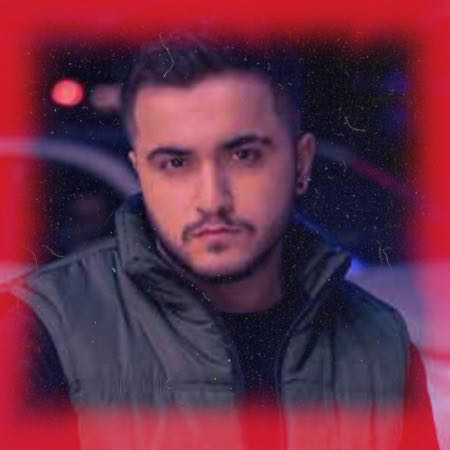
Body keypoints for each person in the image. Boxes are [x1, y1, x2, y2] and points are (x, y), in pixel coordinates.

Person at [1, 34, 438, 450]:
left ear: (302, 162)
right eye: (175, 163)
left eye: (244, 155)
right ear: (141, 174)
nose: (212, 200)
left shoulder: (381, 344)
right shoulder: (36, 330)